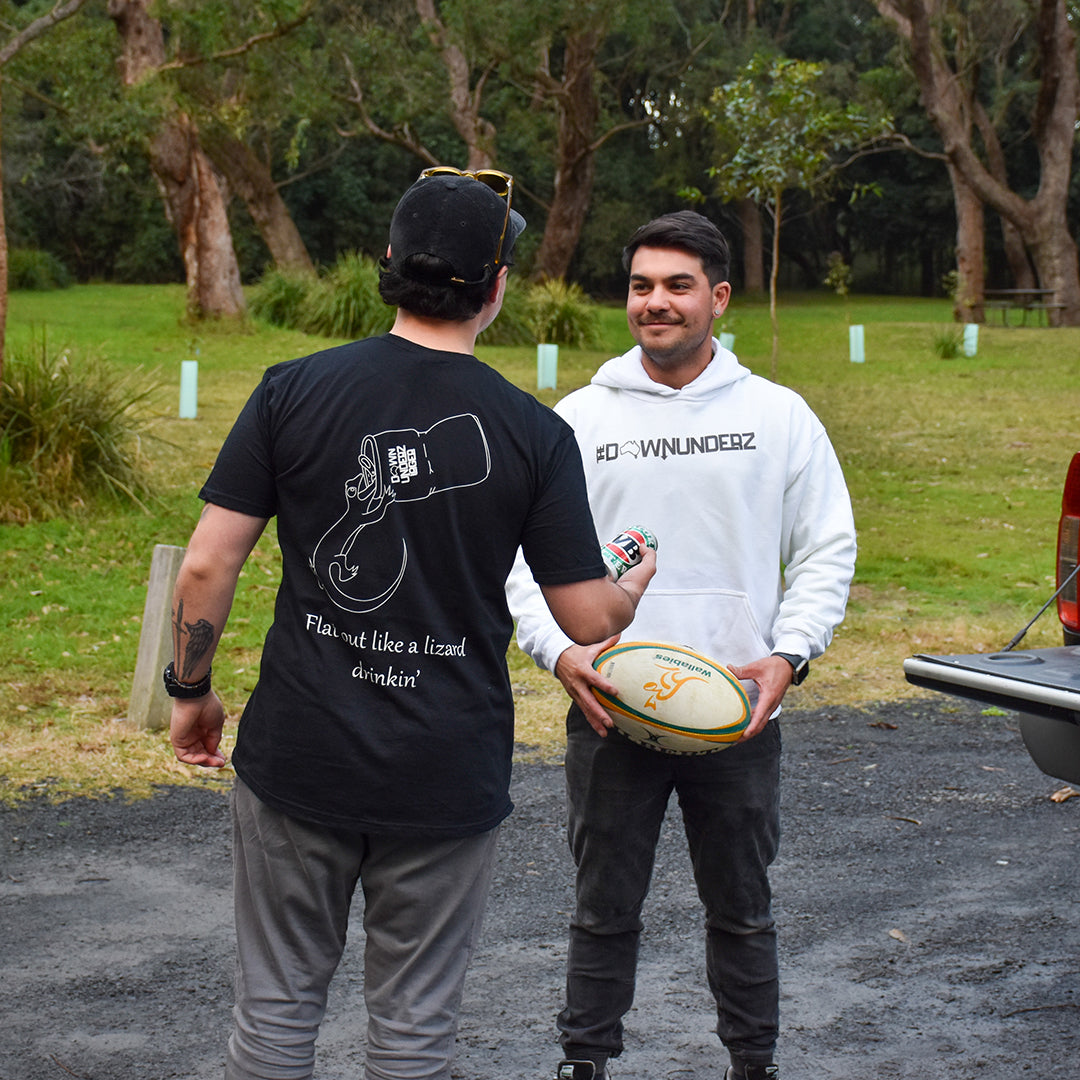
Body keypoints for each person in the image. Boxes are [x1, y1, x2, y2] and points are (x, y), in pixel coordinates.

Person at [164, 167, 656, 1080]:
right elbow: (590, 618)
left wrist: (187, 692)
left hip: (299, 754)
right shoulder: (532, 433)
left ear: (386, 262)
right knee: (415, 1035)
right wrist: (632, 579)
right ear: (497, 286)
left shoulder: (290, 390)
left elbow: (205, 563)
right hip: (444, 771)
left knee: (272, 1019)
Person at [506, 210, 857, 1080]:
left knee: (742, 907)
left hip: (735, 709)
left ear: (719, 297)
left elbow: (827, 546)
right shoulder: (577, 419)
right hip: (609, 708)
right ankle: (584, 1062)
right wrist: (561, 654)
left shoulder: (778, 417)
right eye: (640, 286)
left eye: (676, 285)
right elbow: (519, 558)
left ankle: (753, 1063)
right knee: (602, 908)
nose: (655, 303)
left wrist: (789, 655)